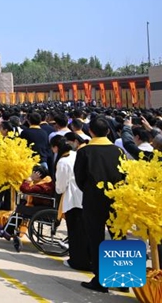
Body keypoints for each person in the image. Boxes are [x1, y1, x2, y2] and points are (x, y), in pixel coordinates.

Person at [74, 116, 125, 294]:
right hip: (117, 198)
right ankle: (124, 279)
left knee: (96, 239)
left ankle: (100, 280)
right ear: (109, 131)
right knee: (119, 235)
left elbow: (79, 178)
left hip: (93, 199)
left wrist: (90, 190)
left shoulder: (84, 151)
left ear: (90, 131)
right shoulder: (118, 151)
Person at [52, 137, 88, 271]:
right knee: (84, 231)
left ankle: (77, 260)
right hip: (85, 197)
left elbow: (60, 186)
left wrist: (57, 190)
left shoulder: (63, 162)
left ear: (56, 147)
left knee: (74, 232)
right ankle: (86, 258)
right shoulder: (76, 154)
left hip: (72, 199)